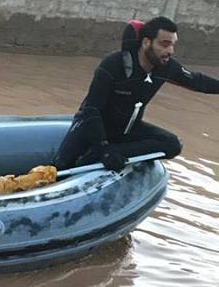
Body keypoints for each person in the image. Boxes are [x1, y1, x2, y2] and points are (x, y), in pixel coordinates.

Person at [54, 16, 219, 172]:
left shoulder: (167, 66)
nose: (170, 51)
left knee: (172, 145)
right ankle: (94, 157)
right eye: (165, 44)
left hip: (127, 129)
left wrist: (113, 151)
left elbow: (198, 81)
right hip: (92, 127)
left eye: (172, 45)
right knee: (60, 168)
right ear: (147, 42)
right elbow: (91, 109)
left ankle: (109, 154)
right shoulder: (114, 64)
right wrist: (103, 149)